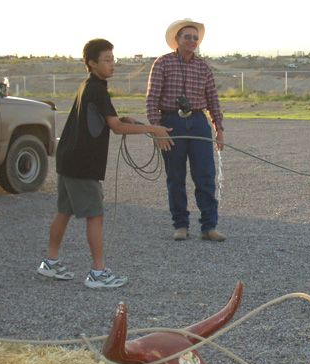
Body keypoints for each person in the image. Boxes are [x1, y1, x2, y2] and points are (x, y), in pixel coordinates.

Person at [37, 38, 174, 288]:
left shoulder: (89, 86)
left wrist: (123, 118)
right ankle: (98, 274)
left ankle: (50, 262)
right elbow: (116, 128)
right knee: (95, 216)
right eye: (107, 60)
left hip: (68, 159)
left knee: (64, 211)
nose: (113, 64)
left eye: (114, 59)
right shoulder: (97, 89)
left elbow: (107, 119)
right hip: (82, 163)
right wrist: (154, 129)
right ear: (92, 63)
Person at [146, 18, 226, 242]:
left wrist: (218, 128)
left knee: (205, 176)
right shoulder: (162, 63)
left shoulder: (203, 67)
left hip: (199, 123)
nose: (192, 41)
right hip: (172, 123)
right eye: (187, 37)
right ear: (177, 40)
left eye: (195, 38)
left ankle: (209, 227)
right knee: (175, 176)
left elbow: (213, 101)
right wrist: (157, 129)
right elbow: (152, 99)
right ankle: (180, 225)